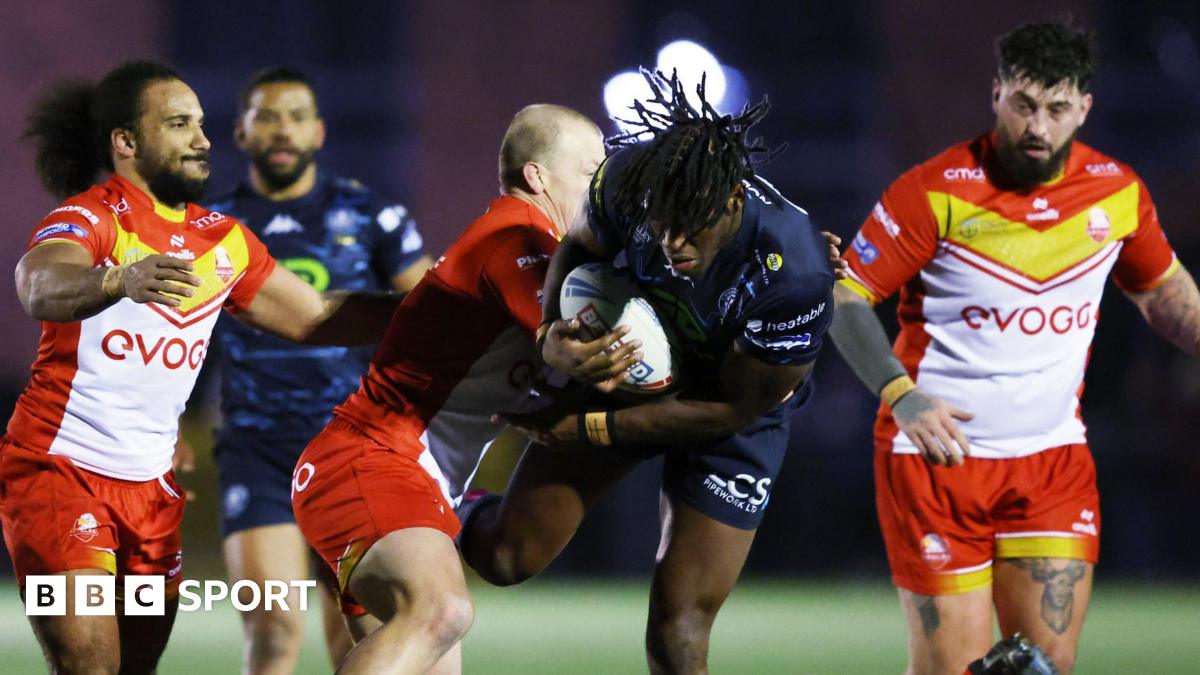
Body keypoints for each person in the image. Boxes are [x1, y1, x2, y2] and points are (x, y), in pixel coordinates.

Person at [1, 60, 403, 675]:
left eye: (203, 124)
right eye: (180, 124)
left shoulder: (225, 240)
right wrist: (118, 278)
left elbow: (317, 316)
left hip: (152, 495)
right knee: (90, 667)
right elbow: (37, 283)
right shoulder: (93, 217)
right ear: (126, 143)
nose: (202, 140)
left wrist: (440, 303)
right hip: (58, 475)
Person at [830, 19, 1198, 675]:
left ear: (1084, 107)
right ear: (996, 94)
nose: (1038, 126)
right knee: (954, 668)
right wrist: (901, 395)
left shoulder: (1116, 194)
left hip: (1051, 462)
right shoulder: (933, 191)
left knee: (1043, 667)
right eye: (1024, 104)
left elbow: (1165, 297)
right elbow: (846, 300)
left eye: (1057, 109)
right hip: (936, 463)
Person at [458, 70, 840, 675]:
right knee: (506, 560)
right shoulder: (629, 178)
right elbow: (577, 248)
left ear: (735, 202)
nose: (672, 240)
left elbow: (734, 409)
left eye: (692, 225)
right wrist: (548, 331)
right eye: (662, 222)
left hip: (729, 416)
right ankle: (445, 512)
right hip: (627, 374)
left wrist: (587, 429)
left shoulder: (794, 272)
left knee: (678, 626)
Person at [291, 104, 610, 675]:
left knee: (435, 640)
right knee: (443, 610)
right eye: (591, 171)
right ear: (538, 176)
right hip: (373, 461)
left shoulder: (546, 253)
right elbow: (569, 341)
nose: (602, 187)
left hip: (404, 479)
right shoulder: (517, 233)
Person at [197, 66, 430, 674]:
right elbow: (170, 332)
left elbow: (431, 315)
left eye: (297, 117)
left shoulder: (370, 215)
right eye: (267, 116)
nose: (283, 130)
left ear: (320, 132)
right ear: (240, 134)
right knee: (273, 624)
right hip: (255, 447)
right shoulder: (209, 226)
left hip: (349, 449)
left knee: (356, 632)